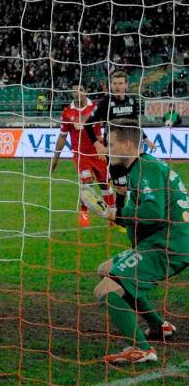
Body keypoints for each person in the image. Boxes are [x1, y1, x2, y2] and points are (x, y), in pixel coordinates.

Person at [92, 118, 189, 364]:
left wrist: (119, 214)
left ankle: (142, 350)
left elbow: (153, 213)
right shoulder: (142, 167)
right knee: (105, 269)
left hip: (170, 244)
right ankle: (159, 327)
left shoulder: (146, 169)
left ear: (126, 144)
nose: (107, 148)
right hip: (168, 240)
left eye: (111, 143)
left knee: (105, 289)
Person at [84, 71, 156, 222]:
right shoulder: (105, 103)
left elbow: (135, 124)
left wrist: (146, 138)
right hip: (115, 153)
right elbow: (87, 125)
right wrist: (97, 145)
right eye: (115, 83)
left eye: (120, 83)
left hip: (131, 151)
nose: (117, 87)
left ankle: (135, 216)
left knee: (137, 184)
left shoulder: (131, 102)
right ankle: (120, 219)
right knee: (121, 189)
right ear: (111, 85)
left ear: (126, 85)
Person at [50, 83, 115, 227]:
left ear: (85, 91)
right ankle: (84, 213)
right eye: (74, 91)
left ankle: (112, 214)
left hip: (97, 152)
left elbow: (107, 125)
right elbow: (62, 137)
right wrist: (55, 158)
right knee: (86, 184)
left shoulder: (95, 107)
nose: (77, 93)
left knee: (105, 184)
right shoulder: (67, 112)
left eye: (80, 90)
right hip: (81, 155)